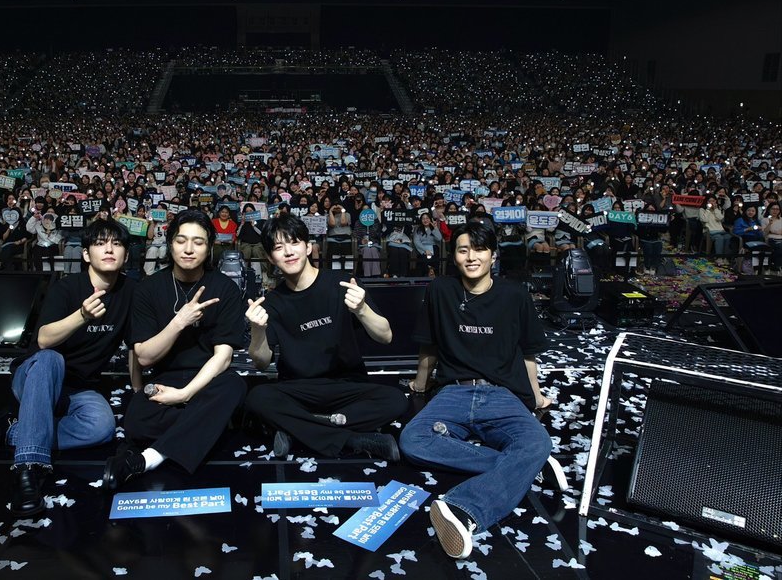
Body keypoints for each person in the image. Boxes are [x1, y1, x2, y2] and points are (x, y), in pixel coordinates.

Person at [398, 221, 566, 560]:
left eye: (479, 249)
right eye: (463, 250)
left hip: (502, 394)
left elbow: (528, 353)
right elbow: (428, 346)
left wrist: (535, 396)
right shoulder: (440, 290)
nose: (471, 257)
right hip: (453, 393)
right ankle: (526, 466)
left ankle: (463, 509)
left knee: (537, 442)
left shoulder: (515, 295)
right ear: (454, 256)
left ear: (493, 255)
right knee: (412, 440)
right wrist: (420, 383)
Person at [245, 214, 407, 461]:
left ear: (308, 247)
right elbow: (261, 362)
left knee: (395, 400)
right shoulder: (273, 302)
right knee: (257, 398)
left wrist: (362, 309)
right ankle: (351, 439)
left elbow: (385, 336)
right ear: (270, 257)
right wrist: (257, 330)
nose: (288, 252)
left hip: (347, 387)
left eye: (294, 242)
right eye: (278, 247)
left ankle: (300, 429)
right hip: (299, 391)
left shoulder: (342, 283)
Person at [2, 218, 136, 516]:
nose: (109, 249)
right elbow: (44, 340)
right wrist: (82, 316)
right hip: (37, 376)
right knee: (52, 358)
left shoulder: (130, 291)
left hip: (79, 388)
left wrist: (140, 393)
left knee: (101, 428)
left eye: (116, 244)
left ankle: (14, 431)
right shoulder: (66, 288)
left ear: (126, 254)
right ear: (86, 254)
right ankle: (28, 469)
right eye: (100, 244)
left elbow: (135, 347)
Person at [109, 210, 247, 490]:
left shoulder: (225, 289)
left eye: (198, 242)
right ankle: (209, 427)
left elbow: (223, 358)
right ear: (170, 243)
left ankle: (149, 458)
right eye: (181, 240)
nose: (188, 249)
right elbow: (144, 356)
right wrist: (179, 322)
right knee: (136, 421)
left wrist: (185, 394)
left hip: (209, 381)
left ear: (209, 247)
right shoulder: (148, 289)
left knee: (233, 384)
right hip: (164, 380)